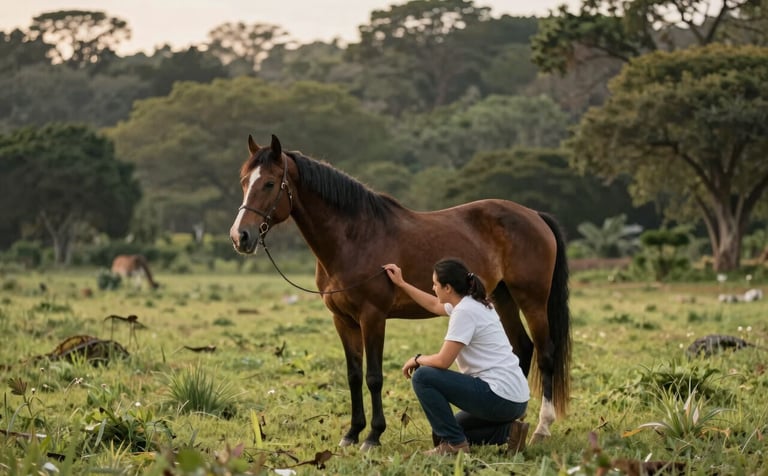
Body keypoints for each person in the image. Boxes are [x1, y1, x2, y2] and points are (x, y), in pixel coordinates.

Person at [383, 258, 530, 456]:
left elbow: (443, 361)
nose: (433, 288)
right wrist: (401, 283)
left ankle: (454, 446)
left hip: (499, 395)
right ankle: (510, 432)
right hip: (515, 399)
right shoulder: (473, 303)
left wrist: (417, 359)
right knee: (446, 430)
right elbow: (434, 304)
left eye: (435, 284)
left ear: (448, 288)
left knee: (423, 376)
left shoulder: (464, 312)